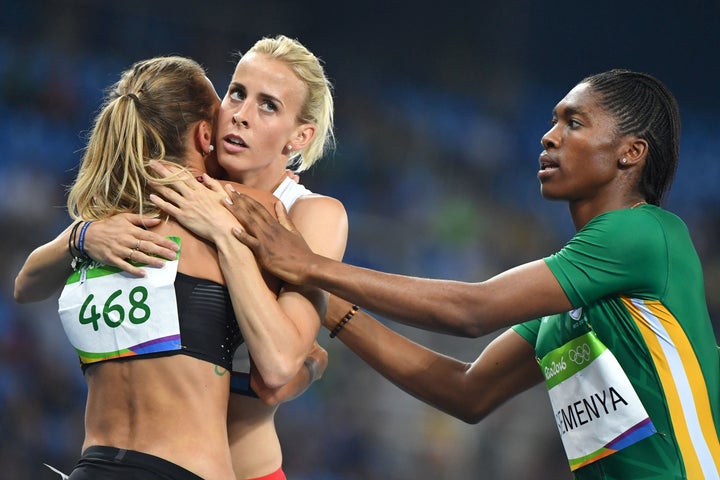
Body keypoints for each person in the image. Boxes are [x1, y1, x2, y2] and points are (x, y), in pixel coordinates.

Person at [201, 69, 720, 479]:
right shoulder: (570, 307)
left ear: (631, 152)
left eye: (574, 123)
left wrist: (310, 265)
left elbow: (473, 310)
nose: (549, 135)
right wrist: (325, 300)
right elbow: (467, 391)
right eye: (554, 120)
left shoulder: (646, 234)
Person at [14, 35, 348, 480]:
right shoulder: (172, 187)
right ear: (205, 128)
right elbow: (25, 284)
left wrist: (300, 372)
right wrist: (83, 234)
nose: (242, 116)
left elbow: (274, 378)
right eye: (237, 93)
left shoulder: (306, 213)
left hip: (247, 469)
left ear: (300, 136)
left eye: (268, 105)